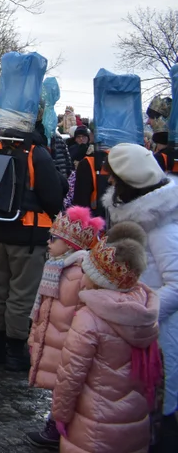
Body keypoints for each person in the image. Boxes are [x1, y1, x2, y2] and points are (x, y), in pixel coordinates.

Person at [50, 223, 162, 453]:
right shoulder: (144, 312)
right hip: (134, 423)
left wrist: (60, 416)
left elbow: (71, 376)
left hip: (92, 425)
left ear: (98, 279)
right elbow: (156, 374)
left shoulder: (89, 319)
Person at [103, 143, 178, 447]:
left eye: (113, 178)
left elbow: (176, 283)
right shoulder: (130, 217)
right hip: (135, 328)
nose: (108, 182)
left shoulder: (163, 228)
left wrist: (144, 315)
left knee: (159, 411)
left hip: (159, 333)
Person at [0, 122, 67, 372]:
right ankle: (15, 352)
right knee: (21, 295)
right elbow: (52, 198)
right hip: (28, 235)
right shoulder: (36, 152)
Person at [23, 206, 104, 448]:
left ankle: (55, 427)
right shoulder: (54, 266)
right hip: (53, 334)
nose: (48, 242)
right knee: (59, 385)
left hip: (67, 339)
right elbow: (44, 305)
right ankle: (56, 425)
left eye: (54, 238)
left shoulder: (79, 273)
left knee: (65, 385)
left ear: (69, 245)